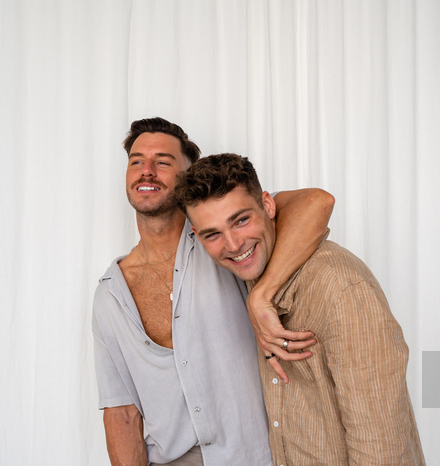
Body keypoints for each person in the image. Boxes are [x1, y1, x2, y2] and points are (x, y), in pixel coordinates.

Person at [92, 118, 334, 465]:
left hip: (255, 455)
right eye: (136, 161)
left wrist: (260, 293)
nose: (147, 171)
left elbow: (317, 202)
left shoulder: (226, 242)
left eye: (162, 161)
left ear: (187, 176)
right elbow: (123, 414)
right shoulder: (110, 295)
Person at [175, 153, 426, 465]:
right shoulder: (252, 280)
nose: (234, 244)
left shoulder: (339, 287)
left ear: (268, 205)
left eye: (241, 220)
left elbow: (381, 444)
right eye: (213, 234)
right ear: (198, 237)